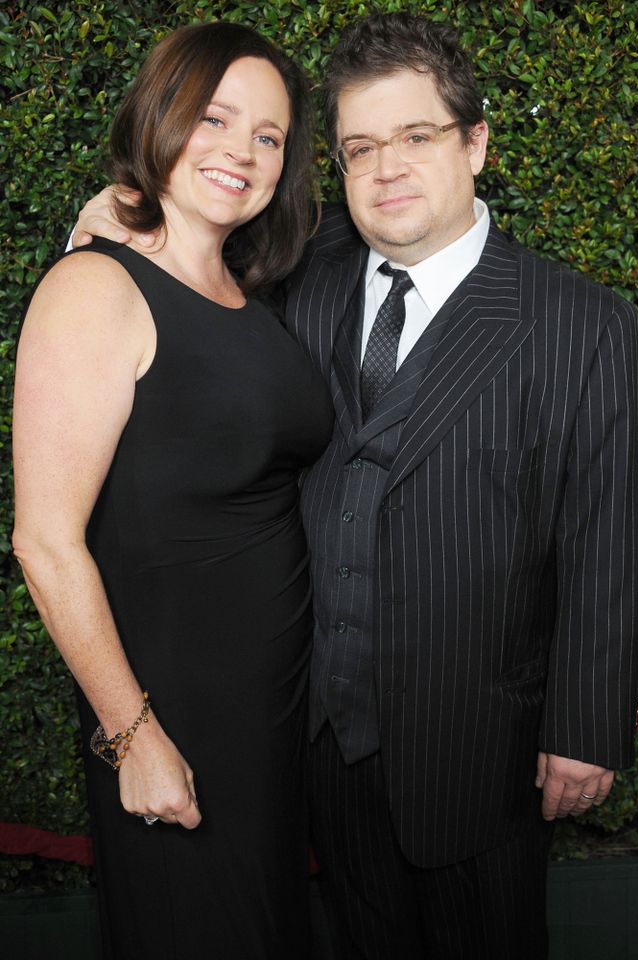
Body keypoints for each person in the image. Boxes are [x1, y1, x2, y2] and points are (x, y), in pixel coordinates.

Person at [70, 11, 638, 960]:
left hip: (477, 752)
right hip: (314, 743)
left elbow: (609, 540)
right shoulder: (301, 269)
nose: (388, 170)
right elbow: (185, 258)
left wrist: (586, 728)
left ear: (477, 142)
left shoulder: (585, 325)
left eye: (417, 137)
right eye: (359, 148)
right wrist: (119, 206)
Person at [12, 21, 333, 960]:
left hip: (270, 717)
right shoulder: (95, 288)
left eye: (267, 136)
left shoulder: (251, 296)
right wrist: (133, 734)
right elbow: (45, 541)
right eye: (214, 118)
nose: (240, 150)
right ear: (163, 119)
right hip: (172, 712)